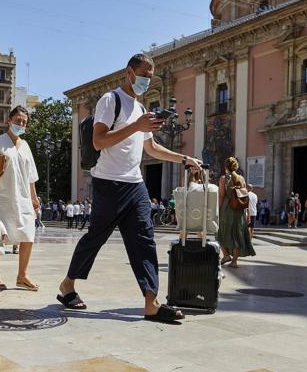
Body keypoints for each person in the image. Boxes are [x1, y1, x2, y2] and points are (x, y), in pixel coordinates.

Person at [57, 53, 202, 323]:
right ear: (130, 73)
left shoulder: (140, 109)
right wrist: (136, 126)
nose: (147, 80)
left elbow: (151, 147)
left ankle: (151, 302)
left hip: (135, 184)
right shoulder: (110, 100)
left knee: (144, 240)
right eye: (144, 74)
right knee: (95, 238)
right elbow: (99, 141)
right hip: (108, 183)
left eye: (151, 76)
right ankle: (68, 284)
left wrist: (184, 158)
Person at [0, 105, 41, 291]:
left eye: (24, 122)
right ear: (10, 121)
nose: (21, 124)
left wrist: (34, 198)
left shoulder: (26, 146)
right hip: (1, 199)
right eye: (18, 120)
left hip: (23, 200)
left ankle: (22, 276)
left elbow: (31, 176)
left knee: (28, 235)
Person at [217, 157, 256, 268]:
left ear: (225, 167)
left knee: (220, 233)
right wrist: (247, 212)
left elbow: (221, 196)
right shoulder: (241, 179)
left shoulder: (223, 178)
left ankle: (225, 255)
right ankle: (234, 261)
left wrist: (217, 210)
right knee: (237, 235)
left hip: (227, 209)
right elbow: (244, 197)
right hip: (239, 210)